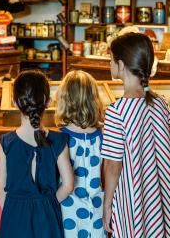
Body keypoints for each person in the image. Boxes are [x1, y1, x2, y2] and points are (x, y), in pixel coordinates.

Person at [102, 33, 170, 238]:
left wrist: (107, 204)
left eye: (110, 60)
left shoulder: (116, 111)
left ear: (120, 64)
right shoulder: (161, 103)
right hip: (161, 200)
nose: (110, 64)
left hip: (132, 201)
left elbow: (112, 166)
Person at [0, 70, 74, 238]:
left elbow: (1, 188)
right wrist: (47, 204)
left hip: (13, 216)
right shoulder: (59, 140)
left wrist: (14, 211)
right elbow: (68, 185)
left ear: (15, 103)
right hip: (47, 216)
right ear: (48, 102)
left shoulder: (6, 142)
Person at [55, 70, 105, 238]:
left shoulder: (59, 138)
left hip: (67, 212)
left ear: (64, 99)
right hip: (99, 210)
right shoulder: (104, 134)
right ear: (94, 99)